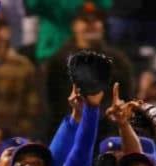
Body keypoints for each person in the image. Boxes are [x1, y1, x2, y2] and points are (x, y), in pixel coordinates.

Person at [42, 3, 135, 137]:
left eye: (96, 20)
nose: (91, 25)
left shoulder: (118, 60)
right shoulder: (58, 61)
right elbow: (50, 104)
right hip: (70, 131)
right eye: (85, 21)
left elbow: (127, 98)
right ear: (74, 26)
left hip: (108, 133)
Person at [0, 15, 39, 139]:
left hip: (13, 138)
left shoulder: (23, 66)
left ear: (9, 32)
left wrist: (16, 132)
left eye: (0, 29)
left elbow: (32, 107)